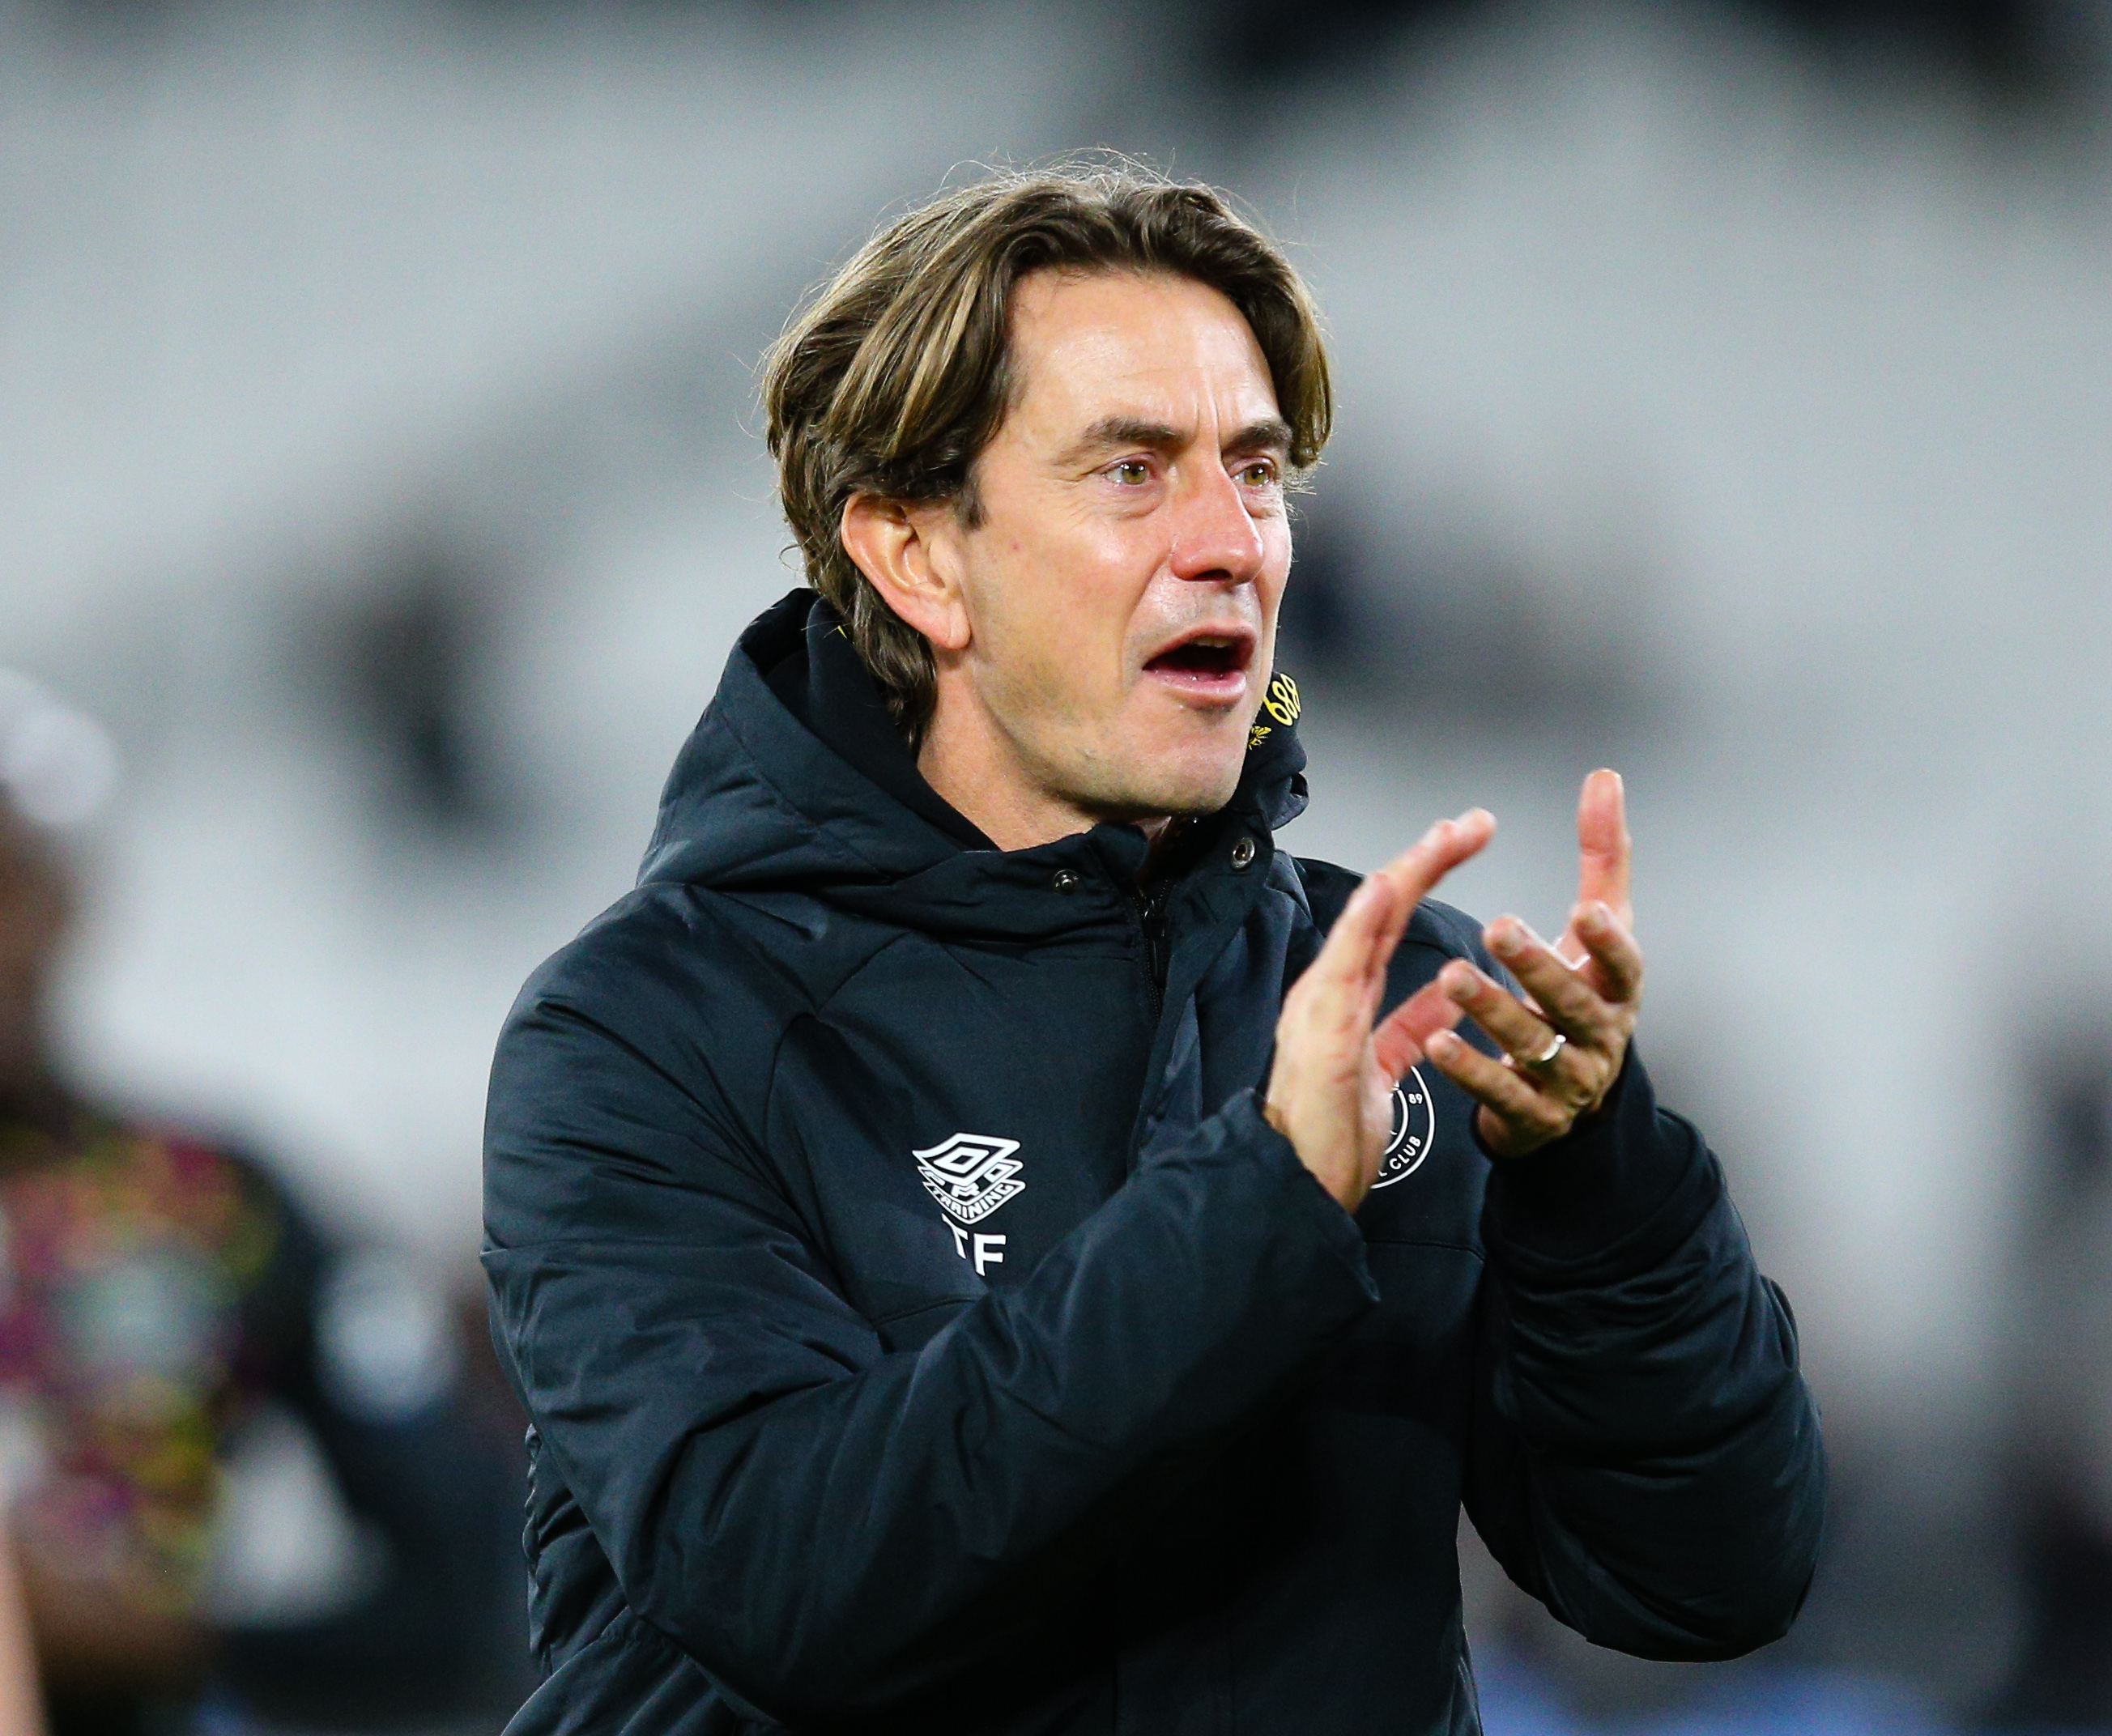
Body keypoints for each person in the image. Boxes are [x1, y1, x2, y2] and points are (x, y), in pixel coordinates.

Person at [483, 161, 1825, 1736]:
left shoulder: (1385, 990)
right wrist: (1255, 1203)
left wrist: (1602, 1192)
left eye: (1256, 474)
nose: (1231, 543)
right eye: (1132, 471)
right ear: (920, 556)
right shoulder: (650, 1027)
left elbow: (1705, 1584)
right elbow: (802, 1583)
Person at [0, 721, 524, 1736]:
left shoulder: (213, 1201)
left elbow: (470, 1577)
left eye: (1, 878)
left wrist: (157, 1635)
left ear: (67, 899)